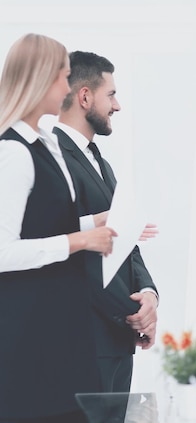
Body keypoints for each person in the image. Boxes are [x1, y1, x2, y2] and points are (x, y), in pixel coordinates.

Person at [0, 34, 117, 422]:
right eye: (64, 77)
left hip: (62, 329)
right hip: (30, 336)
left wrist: (98, 223)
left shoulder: (46, 142)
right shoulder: (13, 151)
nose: (69, 87)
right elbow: (3, 251)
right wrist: (82, 239)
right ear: (42, 80)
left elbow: (43, 223)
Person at [53, 51, 159, 393]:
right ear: (85, 96)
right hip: (81, 339)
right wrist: (130, 313)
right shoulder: (52, 160)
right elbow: (64, 246)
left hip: (115, 341)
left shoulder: (102, 163)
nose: (117, 106)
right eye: (111, 94)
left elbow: (124, 239)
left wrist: (148, 295)